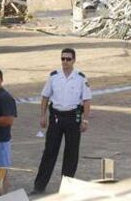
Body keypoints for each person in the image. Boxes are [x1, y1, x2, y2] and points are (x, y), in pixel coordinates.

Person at [32, 48, 91, 195]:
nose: (65, 61)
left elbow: (87, 100)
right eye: (63, 59)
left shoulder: (81, 78)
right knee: (49, 151)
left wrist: (85, 120)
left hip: (73, 117)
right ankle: (39, 186)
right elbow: (45, 97)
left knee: (71, 153)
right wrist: (43, 115)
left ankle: (67, 188)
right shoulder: (54, 76)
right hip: (56, 117)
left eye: (68, 59)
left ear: (74, 60)